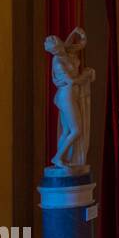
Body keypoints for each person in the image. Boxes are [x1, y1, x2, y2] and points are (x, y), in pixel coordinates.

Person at [45, 28, 95, 171]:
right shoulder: (59, 63)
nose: (56, 38)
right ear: (56, 47)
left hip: (68, 95)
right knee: (76, 130)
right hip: (66, 96)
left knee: (67, 130)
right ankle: (58, 157)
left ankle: (62, 158)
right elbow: (73, 81)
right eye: (54, 39)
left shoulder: (64, 52)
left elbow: (79, 44)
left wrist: (76, 32)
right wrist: (86, 74)